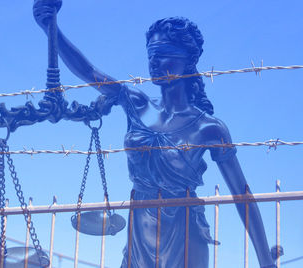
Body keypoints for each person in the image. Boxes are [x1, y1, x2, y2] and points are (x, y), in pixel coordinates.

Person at [33, 1, 277, 267]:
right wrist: (50, 28)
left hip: (185, 235)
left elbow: (243, 197)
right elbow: (90, 72)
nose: (153, 62)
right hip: (140, 231)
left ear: (187, 62)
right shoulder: (137, 104)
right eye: (151, 55)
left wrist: (265, 261)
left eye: (163, 54)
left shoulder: (209, 128)